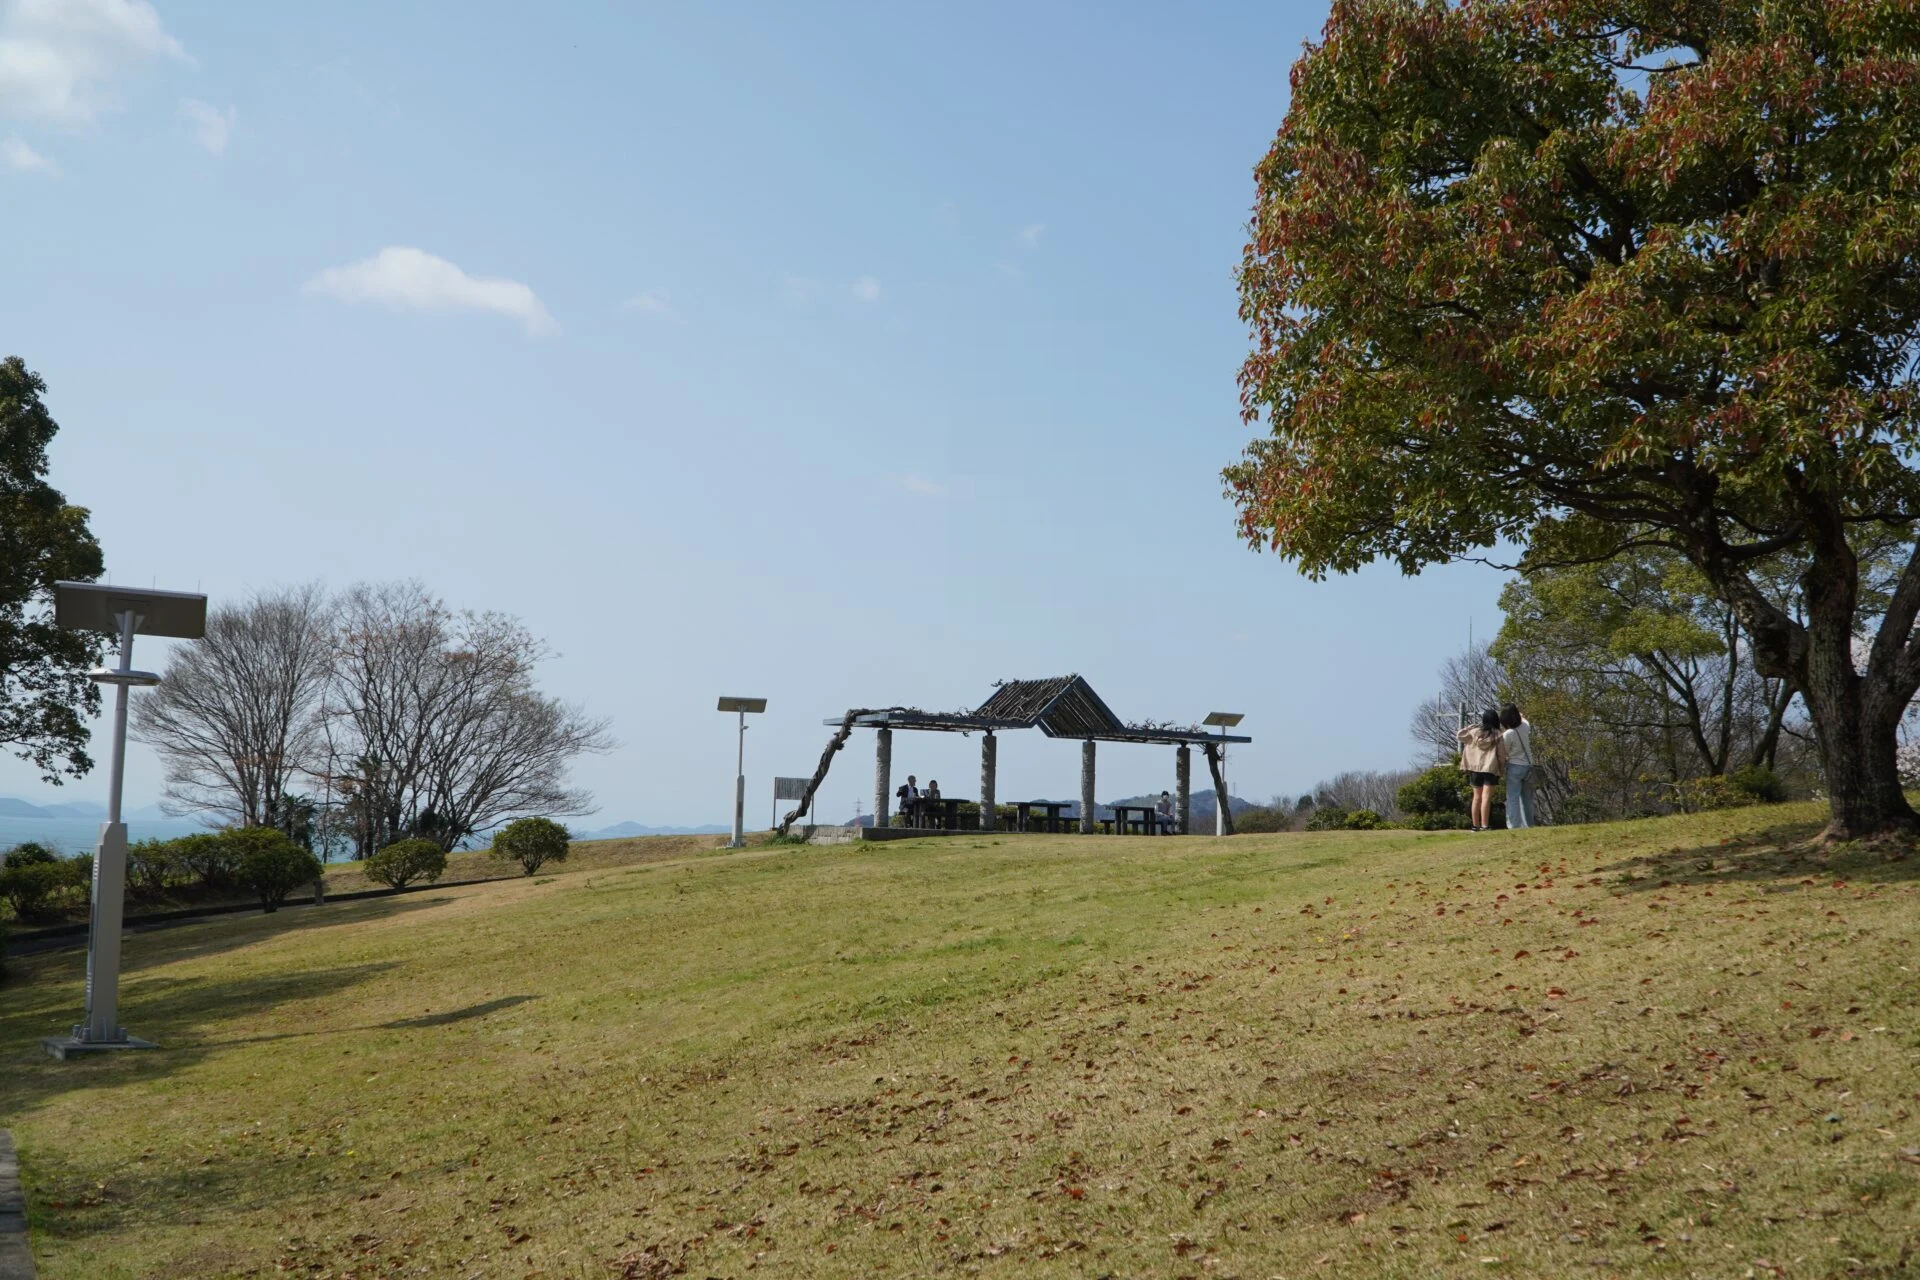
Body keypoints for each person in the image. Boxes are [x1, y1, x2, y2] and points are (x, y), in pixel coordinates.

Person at [1456, 708, 1508, 831]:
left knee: (1476, 797)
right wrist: (1501, 769)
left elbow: (1459, 736)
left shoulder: (1474, 732)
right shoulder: (1498, 734)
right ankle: (1485, 825)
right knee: (1486, 798)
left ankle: (1475, 825)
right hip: (1490, 768)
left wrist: (1469, 727)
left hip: (1475, 768)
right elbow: (1501, 755)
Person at [1499, 703, 1536, 829]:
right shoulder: (1525, 726)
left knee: (1513, 798)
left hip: (1515, 766)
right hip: (1529, 766)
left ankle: (1514, 825)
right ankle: (1529, 824)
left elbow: (1505, 752)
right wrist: (1520, 715)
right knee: (1527, 799)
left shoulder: (1508, 734)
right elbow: (1523, 718)